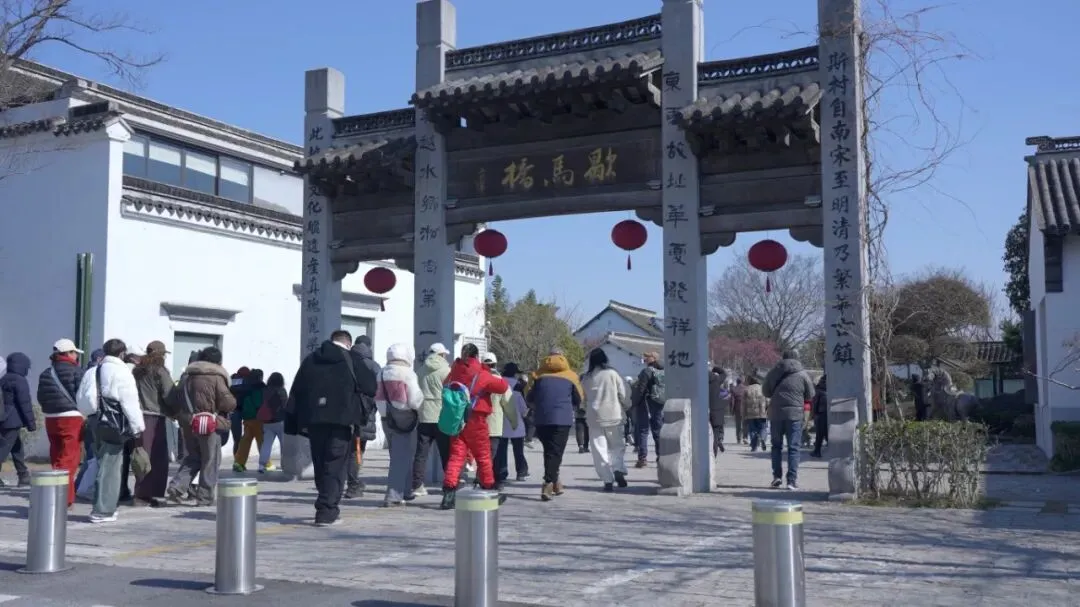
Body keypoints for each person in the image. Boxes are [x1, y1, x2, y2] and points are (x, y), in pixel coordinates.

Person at [287, 330, 375, 526]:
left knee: (320, 463)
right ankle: (327, 511)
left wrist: (294, 421)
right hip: (341, 422)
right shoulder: (352, 359)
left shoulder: (311, 359)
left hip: (314, 421)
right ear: (348, 343)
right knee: (334, 465)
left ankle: (325, 502)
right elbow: (370, 387)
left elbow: (297, 390)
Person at [75, 339, 144, 523]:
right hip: (114, 423)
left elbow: (81, 398)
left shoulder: (92, 371)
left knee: (100, 463)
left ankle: (100, 505)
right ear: (122, 353)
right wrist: (138, 427)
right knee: (111, 466)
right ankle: (103, 510)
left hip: (94, 420)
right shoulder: (122, 372)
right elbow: (130, 402)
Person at [440, 343, 509, 510]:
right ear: (477, 356)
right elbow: (502, 387)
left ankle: (448, 493)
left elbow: (445, 384)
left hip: (458, 419)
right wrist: (493, 373)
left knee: (456, 456)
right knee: (483, 455)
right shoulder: (481, 372)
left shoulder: (455, 370)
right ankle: (489, 490)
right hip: (476, 419)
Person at [164, 347, 236, 506]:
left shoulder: (186, 376)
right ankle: (205, 497)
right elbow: (228, 403)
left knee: (192, 458)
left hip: (188, 422)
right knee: (210, 460)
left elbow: (174, 399)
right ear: (218, 361)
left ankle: (176, 487)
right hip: (209, 424)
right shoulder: (216, 377)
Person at [527, 348, 582, 501]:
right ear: (563, 358)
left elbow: (529, 397)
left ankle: (556, 482)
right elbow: (578, 399)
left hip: (542, 419)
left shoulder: (537, 376)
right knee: (555, 452)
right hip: (562, 419)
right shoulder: (571, 377)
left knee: (549, 451)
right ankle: (548, 483)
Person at [38, 339, 86, 506]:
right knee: (69, 458)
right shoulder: (76, 371)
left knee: (56, 455)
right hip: (71, 416)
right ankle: (63, 498)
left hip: (51, 417)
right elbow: (82, 394)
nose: (76, 356)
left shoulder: (46, 373)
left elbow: (41, 396)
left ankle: (56, 493)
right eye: (74, 353)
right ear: (68, 353)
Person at [374, 343, 423, 506]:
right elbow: (415, 400)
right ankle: (393, 495)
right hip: (404, 418)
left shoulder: (381, 373)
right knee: (401, 458)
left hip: (386, 418)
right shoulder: (408, 374)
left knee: (399, 455)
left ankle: (406, 490)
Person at [762, 351, 816, 490]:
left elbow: (766, 392)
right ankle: (791, 480)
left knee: (776, 446)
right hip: (795, 414)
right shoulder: (803, 374)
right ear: (797, 358)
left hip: (776, 414)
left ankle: (776, 477)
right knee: (793, 448)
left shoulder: (773, 372)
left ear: (783, 358)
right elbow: (810, 395)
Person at [130, 340, 174, 506]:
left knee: (141, 456)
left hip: (137, 416)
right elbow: (169, 394)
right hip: (155, 417)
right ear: (160, 355)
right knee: (156, 458)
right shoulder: (160, 371)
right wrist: (176, 411)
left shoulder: (137, 370)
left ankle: (141, 493)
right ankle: (149, 494)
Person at [581, 349, 630, 492]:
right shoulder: (612, 373)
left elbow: (582, 399)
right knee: (617, 447)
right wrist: (626, 406)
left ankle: (607, 480)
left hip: (594, 418)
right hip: (614, 415)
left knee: (599, 450)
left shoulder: (586, 378)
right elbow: (624, 393)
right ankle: (618, 469)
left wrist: (584, 409)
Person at [412, 342, 452, 497]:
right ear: (441, 355)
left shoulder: (420, 371)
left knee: (421, 454)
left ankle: (417, 485)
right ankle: (449, 485)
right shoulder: (446, 371)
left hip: (424, 416)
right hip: (442, 417)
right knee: (446, 454)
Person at [348, 336, 381, 498]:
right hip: (364, 415)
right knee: (357, 450)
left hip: (343, 413)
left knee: (344, 449)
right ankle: (353, 485)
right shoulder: (373, 366)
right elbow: (378, 392)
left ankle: (347, 482)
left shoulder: (345, 361)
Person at [482, 353, 516, 491]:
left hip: (478, 423)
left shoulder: (477, 379)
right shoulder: (501, 381)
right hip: (495, 424)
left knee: (482, 453)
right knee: (496, 454)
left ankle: (483, 478)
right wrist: (514, 422)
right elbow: (509, 404)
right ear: (495, 365)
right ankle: (497, 480)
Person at [0, 352, 34, 487]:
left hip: (4, 419)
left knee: (17, 448)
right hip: (12, 421)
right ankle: (23, 475)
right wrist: (31, 424)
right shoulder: (20, 380)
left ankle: (23, 474)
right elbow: (24, 403)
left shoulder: (3, 378)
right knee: (3, 449)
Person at [631, 351, 666, 468]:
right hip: (659, 403)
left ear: (652, 359)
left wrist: (635, 403)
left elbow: (641, 389)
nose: (644, 359)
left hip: (646, 403)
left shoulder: (646, 371)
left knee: (643, 430)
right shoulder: (664, 371)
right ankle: (660, 456)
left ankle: (642, 458)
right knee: (658, 430)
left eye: (647, 357)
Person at [497, 363, 529, 483]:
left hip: (500, 423)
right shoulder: (518, 387)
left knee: (501, 451)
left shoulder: (498, 383)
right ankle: (521, 472)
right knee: (518, 450)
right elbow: (524, 409)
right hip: (516, 424)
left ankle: (502, 473)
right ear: (515, 373)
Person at [232, 369, 265, 472]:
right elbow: (258, 402)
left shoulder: (244, 386)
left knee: (245, 441)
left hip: (246, 417)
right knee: (261, 441)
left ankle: (238, 462)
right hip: (258, 418)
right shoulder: (260, 387)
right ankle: (265, 463)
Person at [258, 372, 289, 472]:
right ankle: (285, 465)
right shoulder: (281, 390)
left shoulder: (265, 390)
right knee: (284, 444)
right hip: (280, 421)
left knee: (266, 444)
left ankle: (261, 465)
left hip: (267, 422)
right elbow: (285, 405)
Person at [229, 366, 252, 453]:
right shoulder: (247, 381)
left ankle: (237, 457)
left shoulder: (231, 380)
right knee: (242, 438)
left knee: (237, 438)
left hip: (233, 410)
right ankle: (239, 457)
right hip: (243, 410)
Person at [743, 375, 769, 451]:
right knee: (763, 428)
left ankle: (754, 446)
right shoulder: (763, 389)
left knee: (752, 430)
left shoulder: (746, 389)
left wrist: (743, 414)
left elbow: (743, 404)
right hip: (762, 413)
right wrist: (767, 409)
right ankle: (762, 438)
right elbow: (768, 401)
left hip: (750, 414)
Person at [708, 367, 730, 456]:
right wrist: (715, 369)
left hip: (702, 411)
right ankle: (714, 453)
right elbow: (724, 373)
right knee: (715, 433)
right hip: (715, 411)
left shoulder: (698, 379)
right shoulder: (716, 379)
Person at [811, 374, 829, 458]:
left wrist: (813, 414)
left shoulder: (818, 390)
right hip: (828, 413)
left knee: (820, 434)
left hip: (820, 413)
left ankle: (817, 451)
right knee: (826, 433)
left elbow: (815, 404)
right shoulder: (831, 389)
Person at [731, 376, 746, 444]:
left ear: (737, 382)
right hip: (745, 408)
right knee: (745, 424)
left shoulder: (734, 389)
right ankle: (745, 437)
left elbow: (732, 401)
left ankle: (738, 439)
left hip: (737, 409)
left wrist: (732, 410)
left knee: (738, 424)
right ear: (742, 382)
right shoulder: (746, 388)